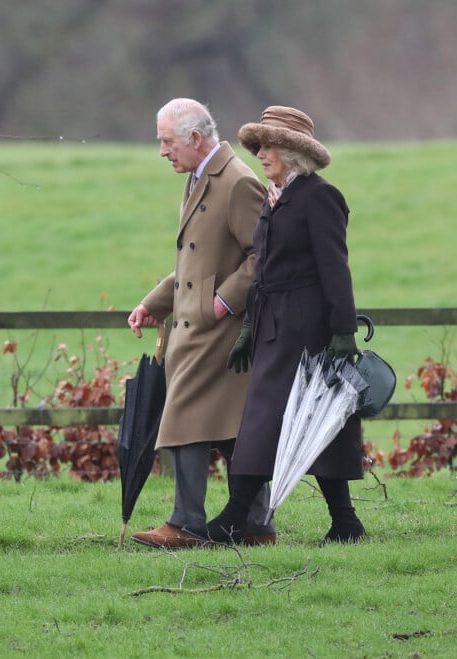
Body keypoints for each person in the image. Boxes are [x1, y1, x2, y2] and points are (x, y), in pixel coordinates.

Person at [202, 106, 367, 546]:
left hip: (310, 332)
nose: (261, 153)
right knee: (265, 421)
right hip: (274, 329)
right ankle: (244, 517)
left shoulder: (319, 196)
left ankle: (340, 521)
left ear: (294, 152)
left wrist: (343, 331)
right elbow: (263, 272)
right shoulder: (274, 199)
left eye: (269, 146)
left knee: (313, 422)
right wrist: (247, 331)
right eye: (258, 146)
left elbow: (336, 268)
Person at [127, 98, 276, 548]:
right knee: (230, 428)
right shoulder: (198, 177)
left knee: (185, 416)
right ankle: (256, 526)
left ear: (195, 138)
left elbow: (262, 256)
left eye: (167, 141)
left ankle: (186, 523)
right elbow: (193, 262)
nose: (162, 152)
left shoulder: (237, 182)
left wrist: (223, 303)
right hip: (193, 326)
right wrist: (156, 303)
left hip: (220, 332)